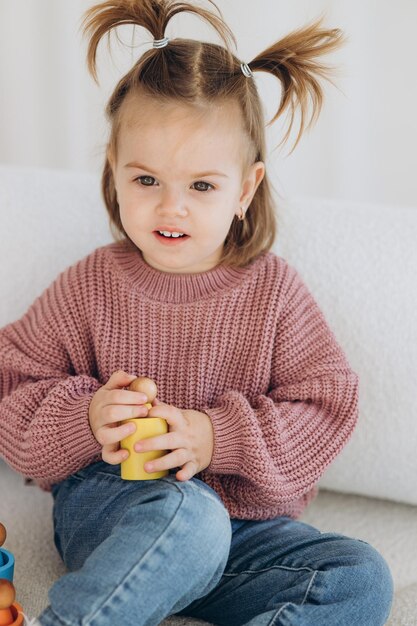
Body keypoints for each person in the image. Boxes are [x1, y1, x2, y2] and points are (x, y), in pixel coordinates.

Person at [0, 1, 394, 625]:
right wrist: (87, 416)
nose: (170, 208)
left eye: (202, 186)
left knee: (360, 577)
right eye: (147, 180)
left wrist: (219, 437)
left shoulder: (273, 294)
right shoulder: (92, 284)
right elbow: (11, 383)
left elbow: (324, 407)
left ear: (245, 188)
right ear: (115, 173)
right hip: (117, 517)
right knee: (191, 513)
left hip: (241, 535)